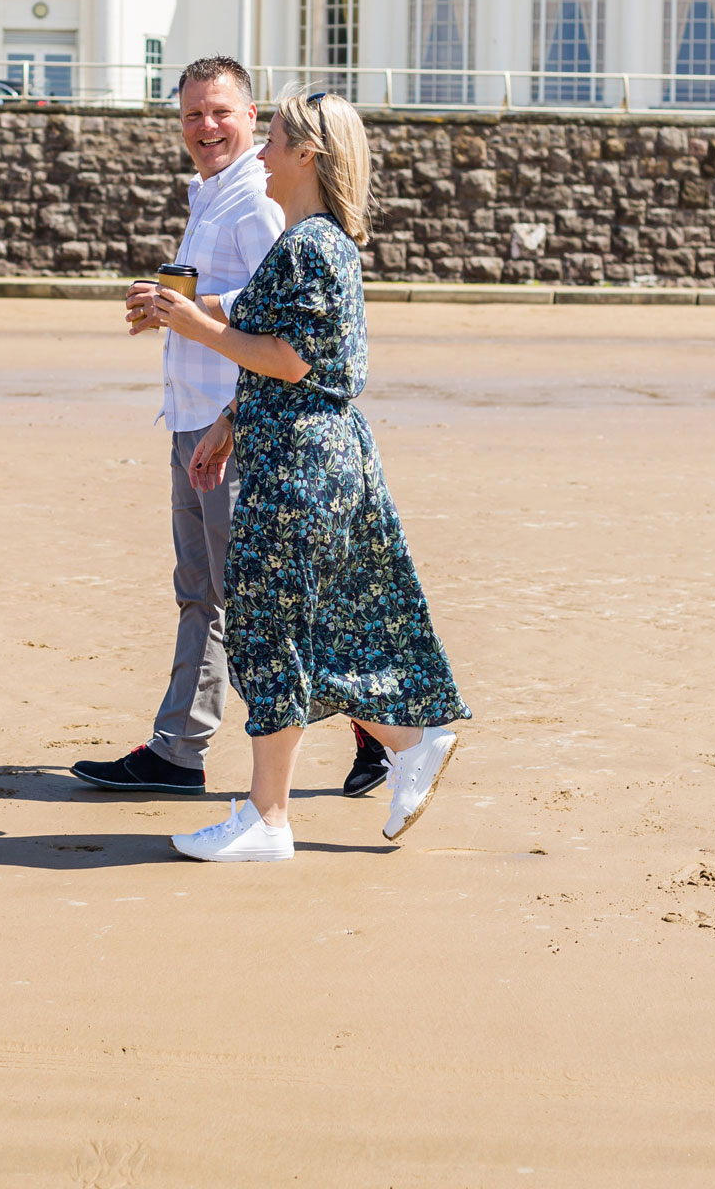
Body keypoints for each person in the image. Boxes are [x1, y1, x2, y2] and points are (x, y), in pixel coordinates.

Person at [151, 89, 471, 862]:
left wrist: (195, 323)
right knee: (291, 630)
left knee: (273, 627)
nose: (259, 152)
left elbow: (290, 359)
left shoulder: (311, 245)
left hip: (303, 466)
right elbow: (290, 348)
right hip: (306, 453)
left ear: (307, 156)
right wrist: (228, 424)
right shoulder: (311, 242)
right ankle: (385, 753)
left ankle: (280, 813)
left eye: (276, 140)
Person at [70, 59, 388, 801]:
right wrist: (172, 309)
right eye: (191, 115)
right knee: (205, 593)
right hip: (200, 417)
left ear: (252, 119)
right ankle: (181, 748)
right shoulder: (212, 193)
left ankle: (379, 724)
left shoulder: (262, 194)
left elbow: (283, 302)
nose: (206, 127)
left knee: (257, 600)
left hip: (241, 421)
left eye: (221, 113)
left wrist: (189, 313)